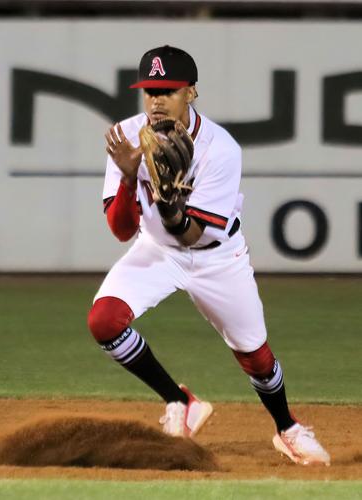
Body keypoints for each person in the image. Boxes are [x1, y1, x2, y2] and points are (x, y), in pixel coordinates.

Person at [87, 45, 330, 466]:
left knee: (256, 356)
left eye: (168, 90)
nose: (156, 100)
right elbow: (122, 230)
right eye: (149, 91)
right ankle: (180, 401)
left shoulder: (221, 148)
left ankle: (286, 428)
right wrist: (129, 179)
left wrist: (167, 206)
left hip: (217, 256)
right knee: (104, 321)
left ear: (191, 93)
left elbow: (193, 232)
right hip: (157, 250)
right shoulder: (126, 138)